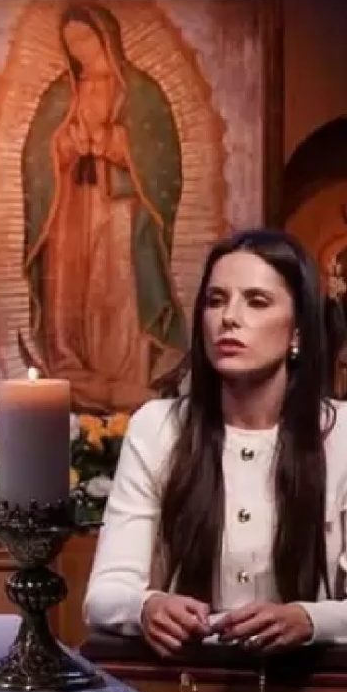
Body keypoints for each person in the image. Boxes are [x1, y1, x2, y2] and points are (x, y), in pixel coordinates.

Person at [85, 230, 347, 656]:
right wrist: (146, 606)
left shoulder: (342, 435)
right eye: (215, 300)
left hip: (313, 685)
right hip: (187, 678)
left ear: (297, 330)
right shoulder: (159, 428)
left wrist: (310, 619)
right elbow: (104, 594)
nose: (229, 317)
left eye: (256, 301)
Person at [21, 3, 186, 413]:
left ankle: (124, 378)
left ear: (106, 37)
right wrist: (64, 145)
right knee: (71, 290)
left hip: (121, 210)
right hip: (70, 210)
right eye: (71, 42)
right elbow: (35, 156)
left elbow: (163, 159)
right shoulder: (61, 93)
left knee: (116, 288)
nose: (79, 48)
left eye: (85, 38)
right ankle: (72, 370)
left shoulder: (141, 92)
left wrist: (115, 143)